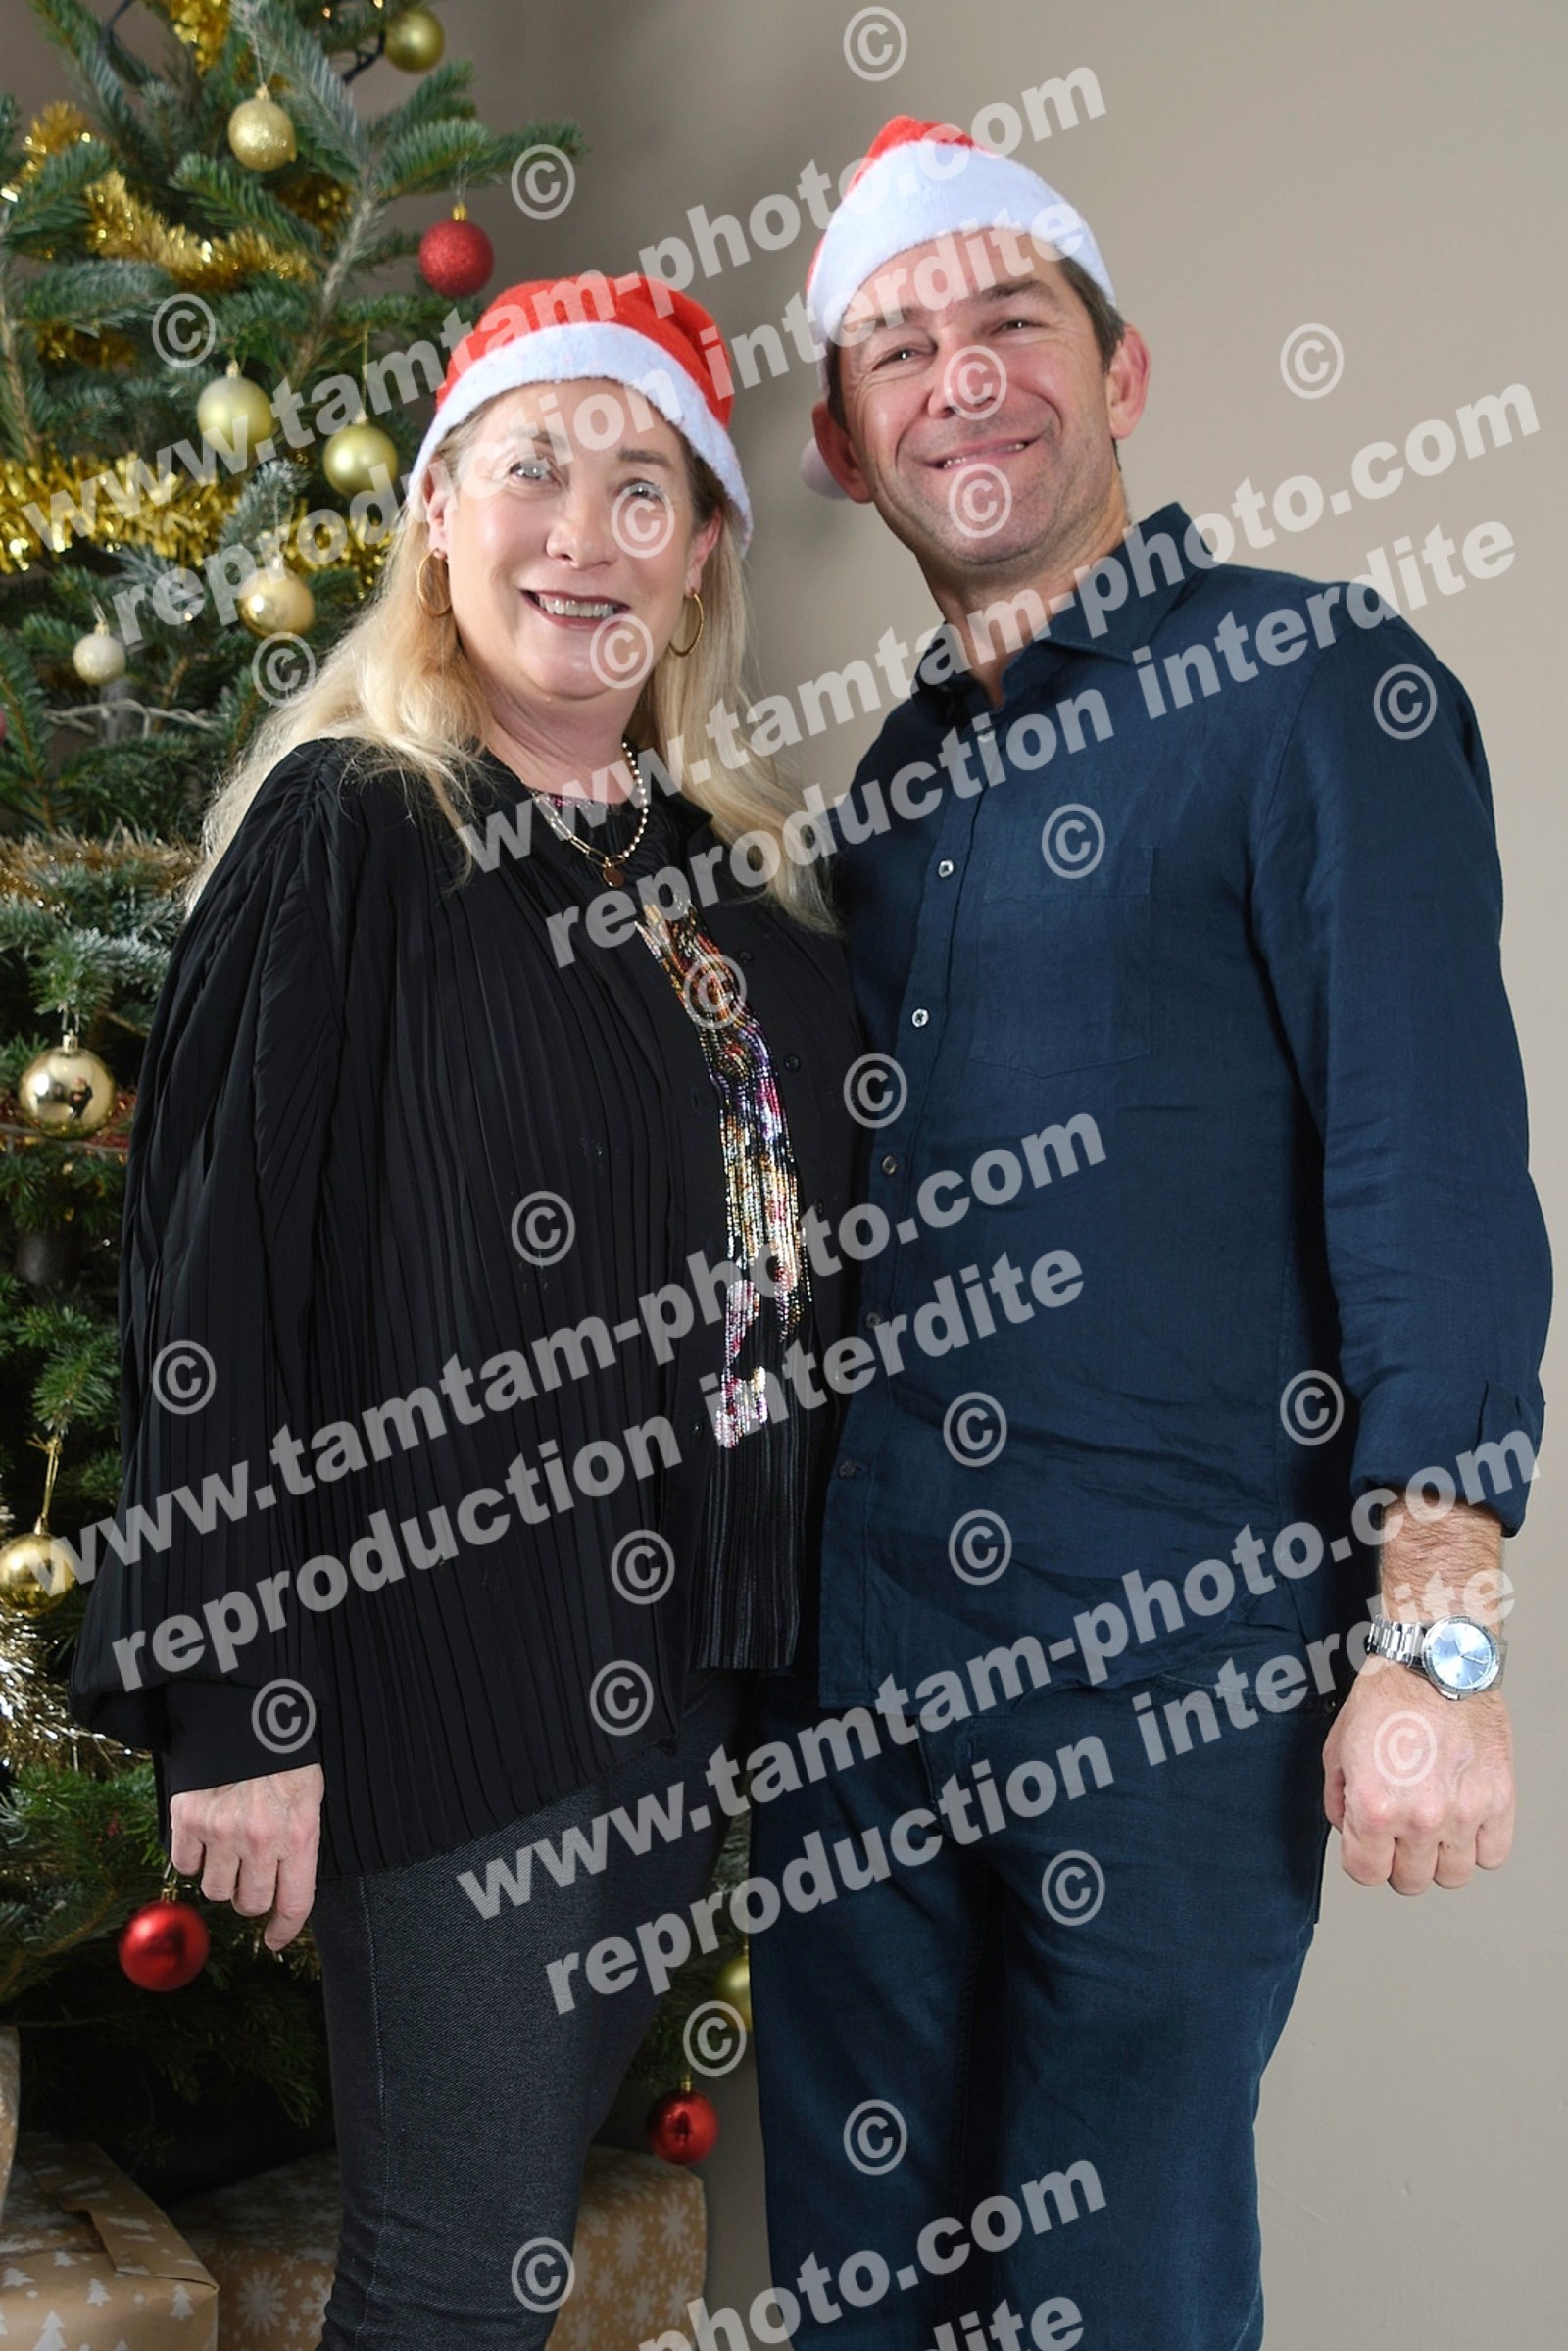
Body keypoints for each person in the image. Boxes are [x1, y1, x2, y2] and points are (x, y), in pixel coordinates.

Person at [747, 117, 1550, 2349]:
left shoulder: (1316, 686)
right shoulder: (887, 792)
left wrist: (1437, 1643)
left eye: (1011, 324)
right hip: (855, 1664)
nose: (960, 380)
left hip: (1169, 1667)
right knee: (856, 2295)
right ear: (845, 450)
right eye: (898, 352)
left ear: (1121, 373)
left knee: (1115, 2288)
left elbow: (1430, 1166)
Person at [68, 272, 864, 2348]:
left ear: (699, 558)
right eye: (533, 473)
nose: (583, 539)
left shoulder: (734, 879)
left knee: (495, 2250)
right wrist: (239, 1695)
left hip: (682, 1678)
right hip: (443, 1656)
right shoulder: (353, 825)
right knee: (457, 2268)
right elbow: (213, 1269)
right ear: (437, 512)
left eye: (642, 492)